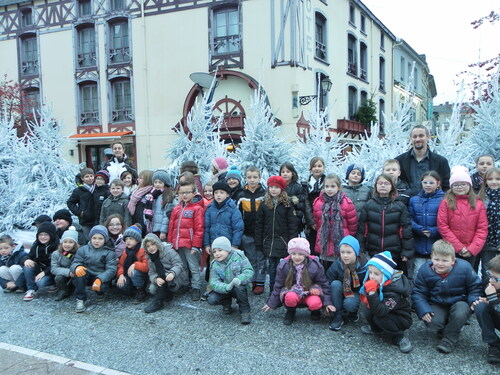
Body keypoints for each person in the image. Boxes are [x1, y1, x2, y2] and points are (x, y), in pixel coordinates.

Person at [412, 240, 482, 353]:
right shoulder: (425, 270)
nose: (440, 263)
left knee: (461, 312)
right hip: (437, 302)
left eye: (445, 260)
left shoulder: (465, 267)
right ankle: (447, 328)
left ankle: (449, 340)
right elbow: (418, 292)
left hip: (460, 302)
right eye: (436, 259)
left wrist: (473, 300)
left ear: (453, 260)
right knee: (433, 321)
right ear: (431, 258)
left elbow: (475, 287)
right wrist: (423, 310)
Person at [262, 237, 334, 325]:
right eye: (294, 254)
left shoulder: (315, 266)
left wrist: (327, 303)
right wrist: (271, 303)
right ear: (290, 254)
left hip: (310, 292)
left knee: (315, 302)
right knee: (290, 297)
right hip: (292, 291)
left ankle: (315, 311)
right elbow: (278, 285)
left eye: (300, 254)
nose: (296, 257)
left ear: (306, 255)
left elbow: (324, 284)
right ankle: (291, 311)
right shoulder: (283, 266)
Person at [356, 173, 414, 274]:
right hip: (373, 250)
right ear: (376, 186)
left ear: (392, 186)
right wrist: (361, 249)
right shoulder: (369, 205)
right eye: (380, 183)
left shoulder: (399, 206)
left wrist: (406, 251)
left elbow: (405, 230)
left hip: (394, 252)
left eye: (386, 183)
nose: (383, 186)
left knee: (392, 279)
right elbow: (362, 230)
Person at [359, 251, 413, 353]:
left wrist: (371, 293)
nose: (372, 276)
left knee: (379, 317)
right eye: (370, 272)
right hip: (386, 311)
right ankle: (377, 329)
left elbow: (381, 311)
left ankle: (399, 337)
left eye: (376, 273)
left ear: (385, 274)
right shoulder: (379, 283)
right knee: (366, 307)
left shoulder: (394, 290)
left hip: (401, 318)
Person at [437, 166, 488, 269]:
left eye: (463, 184)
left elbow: (482, 228)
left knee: (469, 277)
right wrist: (458, 247)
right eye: (456, 185)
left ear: (469, 185)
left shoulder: (478, 204)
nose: (460, 187)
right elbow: (443, 226)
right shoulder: (446, 203)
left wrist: (472, 248)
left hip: (471, 250)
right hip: (451, 249)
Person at [255, 176, 297, 291]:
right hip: (268, 242)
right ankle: (273, 292)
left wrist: (292, 243)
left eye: (276, 187)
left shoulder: (287, 204)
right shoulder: (264, 204)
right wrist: (259, 242)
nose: (273, 190)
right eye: (271, 187)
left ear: (282, 189)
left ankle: (284, 291)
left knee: (283, 268)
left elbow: (293, 225)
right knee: (272, 269)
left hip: (283, 243)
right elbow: (259, 225)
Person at [168, 180, 205, 301]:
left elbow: (199, 229)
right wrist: (170, 242)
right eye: (181, 193)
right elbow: (171, 227)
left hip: (190, 245)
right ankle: (184, 284)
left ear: (194, 193)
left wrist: (196, 245)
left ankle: (196, 287)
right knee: (182, 266)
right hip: (178, 243)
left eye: (187, 192)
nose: (184, 195)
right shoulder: (176, 209)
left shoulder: (197, 209)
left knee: (193, 267)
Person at [313, 173, 357, 267]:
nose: (329, 189)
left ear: (339, 187)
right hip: (325, 243)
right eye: (327, 186)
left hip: (341, 243)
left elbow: (352, 224)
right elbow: (317, 222)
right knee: (324, 270)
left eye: (333, 186)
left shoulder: (347, 203)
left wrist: (347, 238)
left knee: (339, 269)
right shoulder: (318, 203)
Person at [207, 236, 254, 325]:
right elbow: (214, 282)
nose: (217, 254)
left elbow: (249, 271)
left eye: (220, 250)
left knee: (240, 289)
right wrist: (226, 287)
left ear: (228, 250)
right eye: (214, 251)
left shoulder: (239, 256)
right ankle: (226, 303)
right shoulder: (214, 264)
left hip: (239, 286)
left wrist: (239, 279)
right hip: (226, 288)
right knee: (211, 299)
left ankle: (245, 311)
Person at [70, 225, 117, 313]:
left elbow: (111, 269)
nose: (97, 241)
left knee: (101, 288)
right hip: (87, 275)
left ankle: (100, 293)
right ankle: (80, 299)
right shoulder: (83, 249)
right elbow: (75, 262)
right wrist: (77, 267)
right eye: (94, 238)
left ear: (105, 240)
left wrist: (100, 278)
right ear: (90, 238)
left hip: (100, 276)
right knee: (80, 274)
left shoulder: (109, 252)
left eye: (100, 238)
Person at [326, 235, 368, 331]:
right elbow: (327, 282)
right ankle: (337, 316)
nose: (345, 255)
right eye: (342, 252)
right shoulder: (337, 264)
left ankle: (353, 311)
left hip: (355, 292)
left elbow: (365, 286)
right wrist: (327, 302)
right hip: (340, 290)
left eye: (349, 252)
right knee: (335, 284)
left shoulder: (364, 266)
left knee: (350, 304)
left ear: (356, 253)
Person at [408, 171, 445, 278]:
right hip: (419, 244)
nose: (428, 185)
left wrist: (434, 231)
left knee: (436, 274)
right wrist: (419, 229)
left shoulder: (444, 199)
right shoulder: (414, 200)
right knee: (418, 273)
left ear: (438, 184)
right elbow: (409, 218)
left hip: (437, 245)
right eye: (425, 182)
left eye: (431, 182)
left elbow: (447, 221)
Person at [395, 125, 451, 194]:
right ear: (410, 139)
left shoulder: (441, 162)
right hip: (407, 203)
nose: (418, 139)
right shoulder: (399, 161)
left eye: (421, 136)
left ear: (428, 137)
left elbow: (446, 187)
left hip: (433, 203)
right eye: (414, 136)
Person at [142, 233, 189, 313]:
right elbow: (151, 273)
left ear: (157, 243)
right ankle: (167, 294)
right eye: (148, 246)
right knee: (152, 289)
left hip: (176, 275)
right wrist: (156, 279)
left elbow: (179, 264)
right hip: (163, 277)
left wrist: (172, 273)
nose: (151, 248)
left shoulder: (169, 251)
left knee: (166, 278)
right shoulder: (150, 259)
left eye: (153, 244)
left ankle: (158, 302)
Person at [239, 166, 266, 295]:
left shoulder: (264, 193)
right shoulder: (242, 195)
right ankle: (252, 279)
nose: (252, 180)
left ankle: (260, 281)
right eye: (249, 177)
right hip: (247, 232)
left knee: (260, 257)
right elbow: (238, 214)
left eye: (255, 177)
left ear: (259, 178)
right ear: (245, 178)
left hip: (261, 232)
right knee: (250, 257)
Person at [20, 222, 59, 301]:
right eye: (40, 235)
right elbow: (28, 256)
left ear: (51, 235)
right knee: (27, 265)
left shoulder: (57, 246)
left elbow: (57, 264)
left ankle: (54, 284)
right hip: (40, 269)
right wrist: (26, 260)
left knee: (41, 283)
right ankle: (31, 290)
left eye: (46, 235)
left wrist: (44, 273)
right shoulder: (36, 246)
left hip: (52, 272)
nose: (43, 237)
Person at [472, 255, 500, 364]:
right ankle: (493, 344)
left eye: (495, 278)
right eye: (490, 276)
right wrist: (487, 300)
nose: (491, 281)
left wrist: (492, 297)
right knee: (481, 307)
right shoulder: (495, 285)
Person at [478, 167, 500, 285]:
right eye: (490, 179)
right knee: (487, 273)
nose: (494, 182)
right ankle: (488, 296)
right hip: (486, 242)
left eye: (498, 179)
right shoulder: (482, 197)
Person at [116, 224, 149, 304]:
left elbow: (147, 267)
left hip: (142, 276)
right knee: (121, 285)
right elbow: (120, 265)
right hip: (128, 275)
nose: (128, 241)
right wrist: (120, 275)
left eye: (131, 238)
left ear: (137, 240)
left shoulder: (142, 250)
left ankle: (141, 290)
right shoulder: (125, 251)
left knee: (134, 272)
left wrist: (135, 265)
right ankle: (133, 291)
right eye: (126, 239)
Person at [280, 162, 314, 235]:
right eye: (283, 172)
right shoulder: (278, 187)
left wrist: (290, 201)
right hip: (280, 221)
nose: (285, 174)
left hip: (294, 221)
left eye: (288, 172)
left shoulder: (297, 187)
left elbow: (301, 205)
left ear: (293, 173)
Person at [51, 226, 79, 301]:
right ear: (61, 243)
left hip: (76, 273)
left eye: (71, 242)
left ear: (75, 244)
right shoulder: (56, 254)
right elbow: (54, 268)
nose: (67, 244)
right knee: (58, 277)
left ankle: (76, 291)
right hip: (64, 274)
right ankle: (63, 291)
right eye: (65, 242)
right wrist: (68, 272)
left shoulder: (79, 253)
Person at [145, 169, 175, 240]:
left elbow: (166, 215)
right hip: (152, 229)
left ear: (165, 183)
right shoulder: (151, 195)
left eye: (160, 182)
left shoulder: (167, 196)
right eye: (155, 182)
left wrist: (163, 231)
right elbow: (146, 211)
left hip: (162, 231)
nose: (157, 184)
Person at [67, 167, 96, 241]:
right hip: (85, 221)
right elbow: (70, 202)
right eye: (87, 177)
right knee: (87, 240)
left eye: (91, 176)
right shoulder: (78, 191)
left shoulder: (97, 189)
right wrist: (80, 212)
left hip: (97, 220)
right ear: (82, 178)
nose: (90, 178)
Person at [304, 157, 326, 249]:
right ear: (310, 169)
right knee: (312, 247)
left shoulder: (328, 183)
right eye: (314, 166)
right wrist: (311, 221)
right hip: (311, 222)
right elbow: (306, 203)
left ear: (324, 168)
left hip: (324, 220)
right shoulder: (305, 184)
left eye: (319, 166)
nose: (317, 168)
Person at [128, 169, 154, 235]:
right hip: (134, 222)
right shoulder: (135, 191)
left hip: (144, 224)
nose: (138, 179)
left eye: (140, 178)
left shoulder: (152, 193)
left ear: (147, 179)